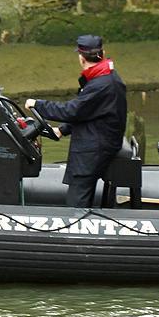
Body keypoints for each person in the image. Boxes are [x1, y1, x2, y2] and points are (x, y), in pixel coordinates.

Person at [25, 34, 127, 208]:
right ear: (102, 53)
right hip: (102, 139)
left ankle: (76, 225)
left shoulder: (101, 84)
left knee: (77, 197)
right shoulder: (107, 77)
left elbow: (72, 110)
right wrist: (62, 130)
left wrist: (38, 104)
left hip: (95, 148)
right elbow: (89, 111)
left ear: (81, 58)